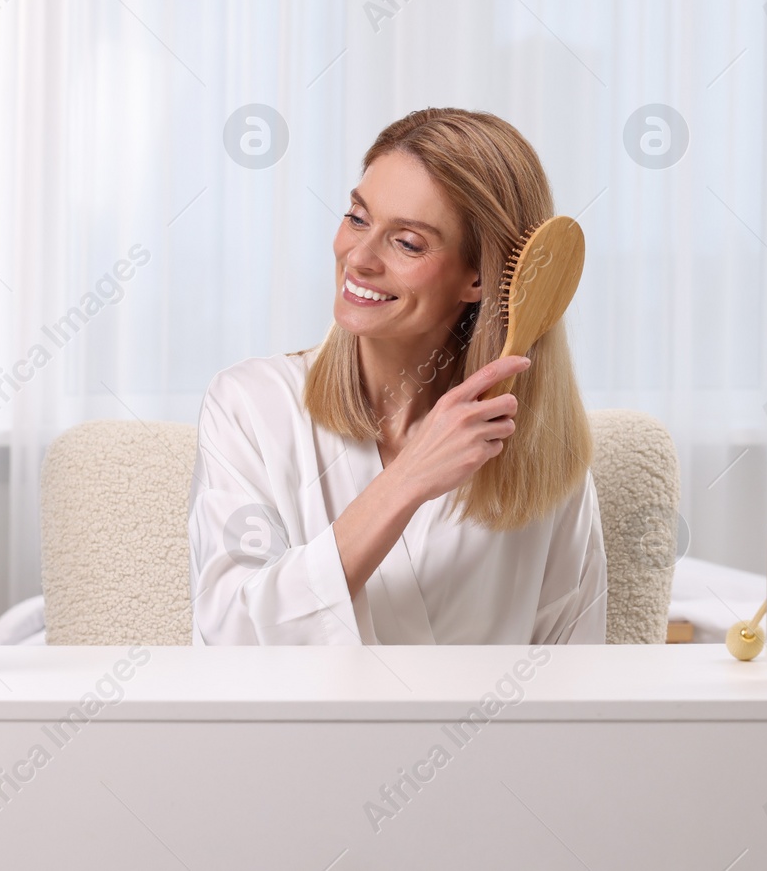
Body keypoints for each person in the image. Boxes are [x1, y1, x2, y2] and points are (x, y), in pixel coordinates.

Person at [189, 108, 605, 645]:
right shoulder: (250, 406)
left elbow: (574, 683)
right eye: (358, 218)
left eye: (407, 242)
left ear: (478, 277)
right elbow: (229, 638)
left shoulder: (541, 457)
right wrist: (407, 481)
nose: (358, 257)